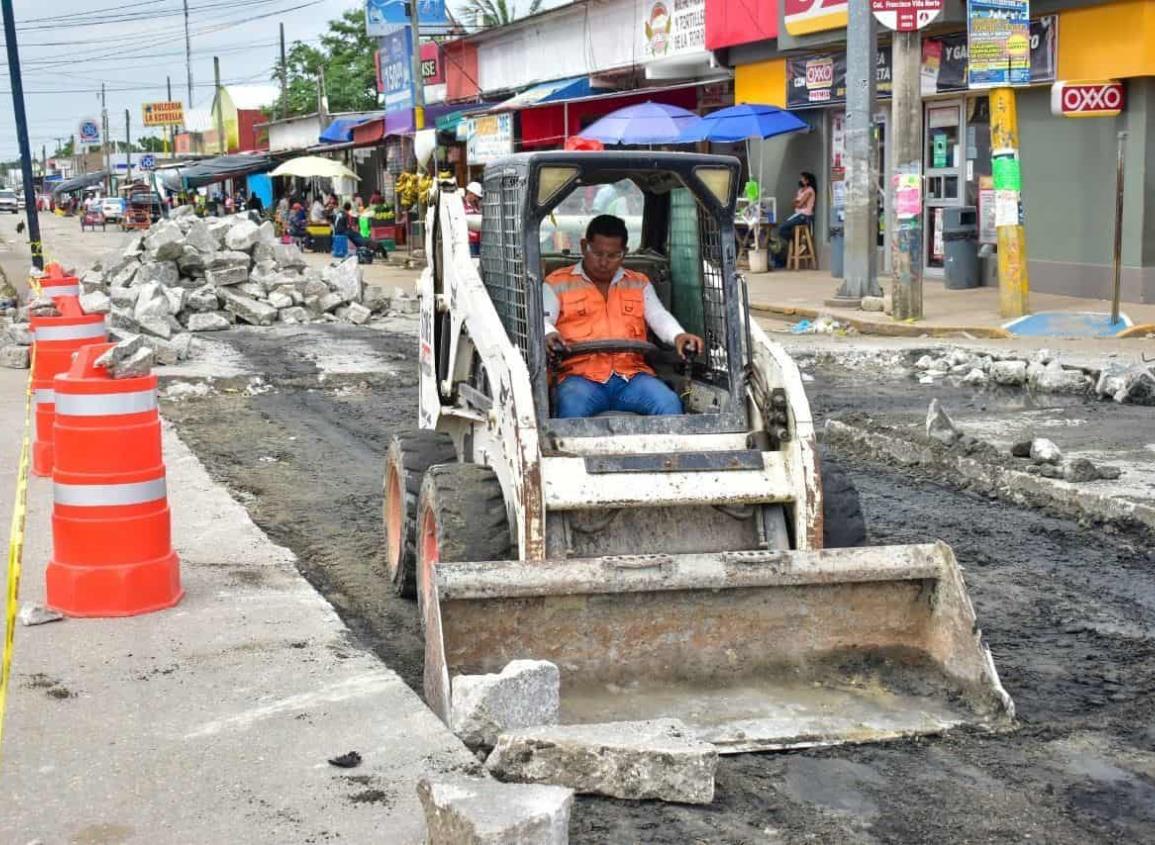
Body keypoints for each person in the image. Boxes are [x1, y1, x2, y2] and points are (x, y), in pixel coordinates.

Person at [544, 214, 703, 419]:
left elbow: (658, 316)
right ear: (584, 246)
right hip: (579, 377)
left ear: (625, 253)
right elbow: (543, 320)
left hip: (632, 376)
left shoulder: (639, 283)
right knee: (571, 407)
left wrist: (679, 336)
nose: (603, 262)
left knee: (669, 403)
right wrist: (550, 334)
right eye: (597, 253)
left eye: (613, 256)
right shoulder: (556, 283)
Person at [775, 171, 817, 266]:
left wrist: (797, 203)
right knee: (782, 229)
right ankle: (798, 243)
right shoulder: (800, 191)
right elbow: (794, 204)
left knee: (783, 227)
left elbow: (800, 204)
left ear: (807, 181)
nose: (800, 180)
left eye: (802, 178)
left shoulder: (810, 190)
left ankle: (799, 243)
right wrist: (797, 203)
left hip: (805, 216)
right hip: (797, 215)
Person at [463, 181, 483, 258]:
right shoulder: (463, 207)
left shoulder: (477, 207)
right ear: (471, 194)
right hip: (470, 241)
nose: (477, 199)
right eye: (476, 196)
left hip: (479, 240)